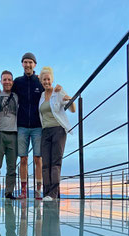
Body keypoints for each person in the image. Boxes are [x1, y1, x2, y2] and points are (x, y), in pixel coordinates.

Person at [38, 67, 76, 201]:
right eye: (44, 79)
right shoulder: (42, 96)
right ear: (41, 81)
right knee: (45, 163)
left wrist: (69, 99)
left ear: (52, 80)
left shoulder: (58, 92)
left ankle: (53, 194)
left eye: (48, 79)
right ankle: (46, 193)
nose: (46, 81)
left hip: (58, 130)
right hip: (45, 132)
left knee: (55, 162)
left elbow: (73, 109)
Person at [11, 52, 44, 199]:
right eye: (25, 62)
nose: (28, 65)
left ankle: (38, 191)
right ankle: (24, 191)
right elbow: (6, 90)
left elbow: (49, 92)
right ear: (22, 64)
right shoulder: (18, 82)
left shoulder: (40, 81)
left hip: (38, 126)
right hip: (22, 125)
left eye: (30, 62)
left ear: (35, 65)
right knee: (23, 158)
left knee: (38, 158)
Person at [0, 70, 18, 199]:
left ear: (12, 82)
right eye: (5, 79)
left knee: (12, 167)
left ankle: (9, 193)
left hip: (13, 134)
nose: (7, 82)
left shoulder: (17, 96)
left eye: (9, 80)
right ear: (1, 81)